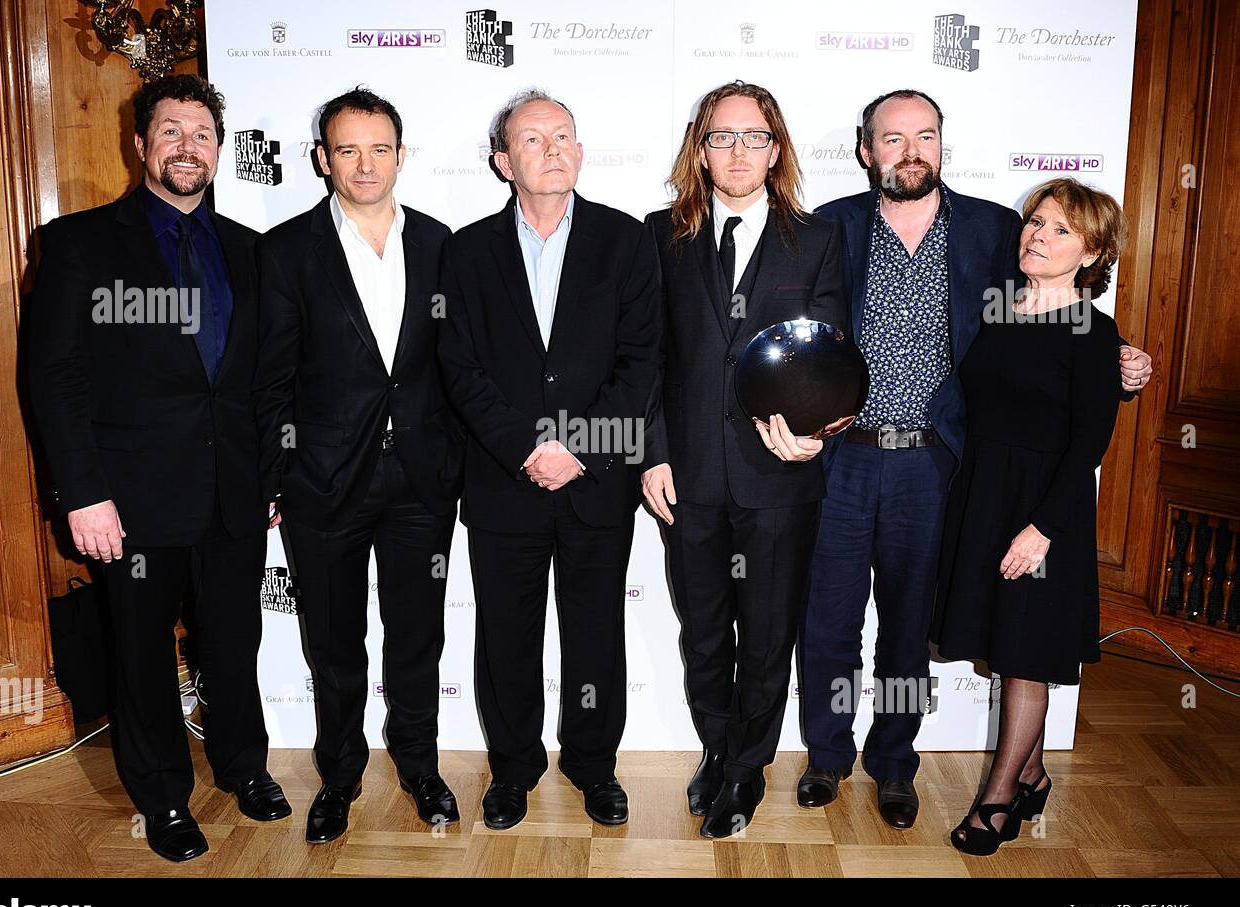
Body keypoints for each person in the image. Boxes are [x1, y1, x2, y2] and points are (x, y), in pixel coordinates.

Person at [797, 89, 1154, 830]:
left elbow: (1056, 314)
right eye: (892, 139)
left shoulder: (993, 230)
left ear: (941, 144)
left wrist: (1116, 355)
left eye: (924, 135)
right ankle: (826, 757)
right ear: (867, 150)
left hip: (937, 467)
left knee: (906, 625)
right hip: (842, 459)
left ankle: (894, 764)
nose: (910, 151)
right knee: (828, 619)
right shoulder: (828, 227)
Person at [27, 75, 288, 863]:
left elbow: (267, 379)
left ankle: (245, 766)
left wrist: (270, 476)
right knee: (140, 654)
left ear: (218, 148)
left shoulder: (250, 249)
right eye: (169, 130)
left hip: (235, 493)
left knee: (235, 641)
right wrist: (84, 493)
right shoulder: (79, 243)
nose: (186, 145)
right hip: (130, 500)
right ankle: (163, 797)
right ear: (139, 144)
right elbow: (54, 376)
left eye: (201, 132)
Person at [437, 89, 661, 830]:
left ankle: (594, 765)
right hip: (506, 483)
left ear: (582, 151)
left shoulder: (626, 242)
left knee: (596, 630)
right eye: (533, 140)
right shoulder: (465, 250)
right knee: (505, 633)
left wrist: (579, 450)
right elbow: (458, 366)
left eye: (564, 135)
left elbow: (642, 364)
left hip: (596, 481)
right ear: (504, 161)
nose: (553, 149)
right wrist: (524, 449)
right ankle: (512, 769)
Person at [254, 88, 464, 844]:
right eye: (348, 149)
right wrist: (280, 478)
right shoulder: (282, 251)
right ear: (323, 159)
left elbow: (461, 369)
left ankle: (421, 767)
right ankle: (339, 776)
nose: (365, 163)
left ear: (401, 156)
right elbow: (269, 381)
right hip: (322, 485)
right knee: (334, 645)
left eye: (380, 148)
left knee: (418, 638)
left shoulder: (445, 244)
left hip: (422, 484)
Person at [641, 81, 846, 839]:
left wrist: (819, 429)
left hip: (780, 476)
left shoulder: (817, 239)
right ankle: (717, 746)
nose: (736, 150)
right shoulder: (661, 235)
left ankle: (747, 768)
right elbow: (648, 358)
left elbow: (831, 355)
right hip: (686, 475)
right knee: (702, 631)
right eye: (721, 136)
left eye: (752, 136)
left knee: (765, 633)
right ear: (701, 148)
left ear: (776, 148)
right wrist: (653, 454)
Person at [932, 178, 1125, 855]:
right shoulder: (994, 307)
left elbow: (1089, 444)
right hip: (983, 494)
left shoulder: (1095, 334)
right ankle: (1034, 772)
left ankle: (998, 800)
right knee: (1005, 642)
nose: (1039, 236)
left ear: (1094, 251)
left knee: (1026, 660)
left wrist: (1042, 528)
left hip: (1048, 506)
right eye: (1036, 222)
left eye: (1061, 230)